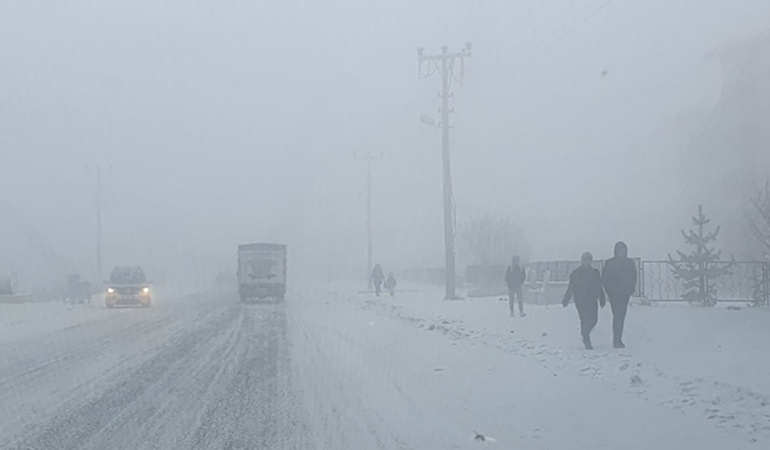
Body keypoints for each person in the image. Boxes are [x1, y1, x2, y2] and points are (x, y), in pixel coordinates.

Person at [563, 252, 605, 350]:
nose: (587, 262)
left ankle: (585, 332)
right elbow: (571, 287)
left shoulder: (595, 272)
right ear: (582, 261)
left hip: (592, 299)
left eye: (589, 260)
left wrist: (602, 298)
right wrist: (566, 299)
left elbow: (599, 286)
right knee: (584, 319)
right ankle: (586, 339)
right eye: (585, 260)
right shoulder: (576, 273)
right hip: (580, 300)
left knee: (594, 319)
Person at [602, 241, 637, 348]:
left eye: (624, 250)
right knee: (617, 315)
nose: (622, 252)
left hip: (624, 294)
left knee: (621, 316)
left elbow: (633, 277)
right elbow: (605, 278)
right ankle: (616, 340)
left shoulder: (629, 263)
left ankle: (618, 339)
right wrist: (609, 290)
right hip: (614, 294)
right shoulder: (610, 263)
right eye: (620, 250)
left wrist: (630, 289)